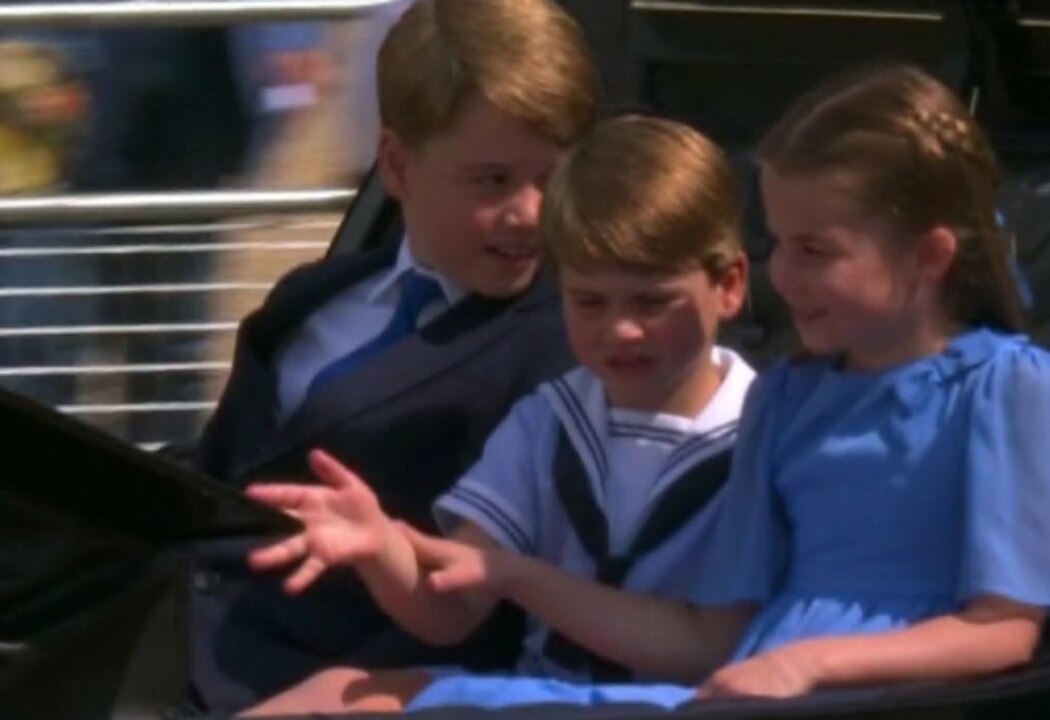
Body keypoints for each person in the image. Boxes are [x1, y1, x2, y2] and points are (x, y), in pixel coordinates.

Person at [249, 63, 1050, 711]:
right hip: (732, 692)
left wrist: (808, 665)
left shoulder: (1010, 389)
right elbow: (707, 639)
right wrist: (483, 567)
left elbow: (1004, 632)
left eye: (816, 251)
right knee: (339, 697)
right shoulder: (793, 400)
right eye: (779, 245)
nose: (787, 276)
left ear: (928, 257)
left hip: (863, 702)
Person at [239, 115, 756, 715]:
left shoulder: (760, 433)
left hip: (695, 703)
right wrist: (382, 550)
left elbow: (704, 646)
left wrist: (518, 576)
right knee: (340, 693)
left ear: (729, 284)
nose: (620, 328)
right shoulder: (549, 419)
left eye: (652, 301)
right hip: (545, 693)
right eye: (589, 301)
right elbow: (452, 609)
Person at [183, 0, 600, 712]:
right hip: (168, 623)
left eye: (551, 179)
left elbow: (503, 609)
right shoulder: (314, 297)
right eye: (493, 181)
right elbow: (219, 471)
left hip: (315, 684)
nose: (531, 212)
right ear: (398, 167)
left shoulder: (568, 346)